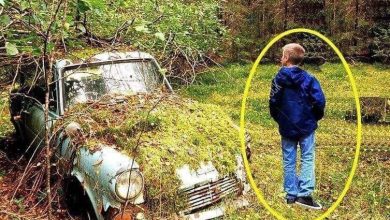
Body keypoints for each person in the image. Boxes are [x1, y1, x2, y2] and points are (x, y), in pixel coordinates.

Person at [269, 43, 326, 209]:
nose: (281, 58)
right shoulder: (309, 78)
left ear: (286, 58)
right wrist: (314, 117)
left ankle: (291, 195)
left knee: (289, 158)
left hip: (287, 126)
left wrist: (279, 119)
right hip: (306, 125)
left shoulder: (277, 80)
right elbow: (319, 101)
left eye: (282, 55)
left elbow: (273, 101)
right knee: (307, 157)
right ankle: (304, 195)